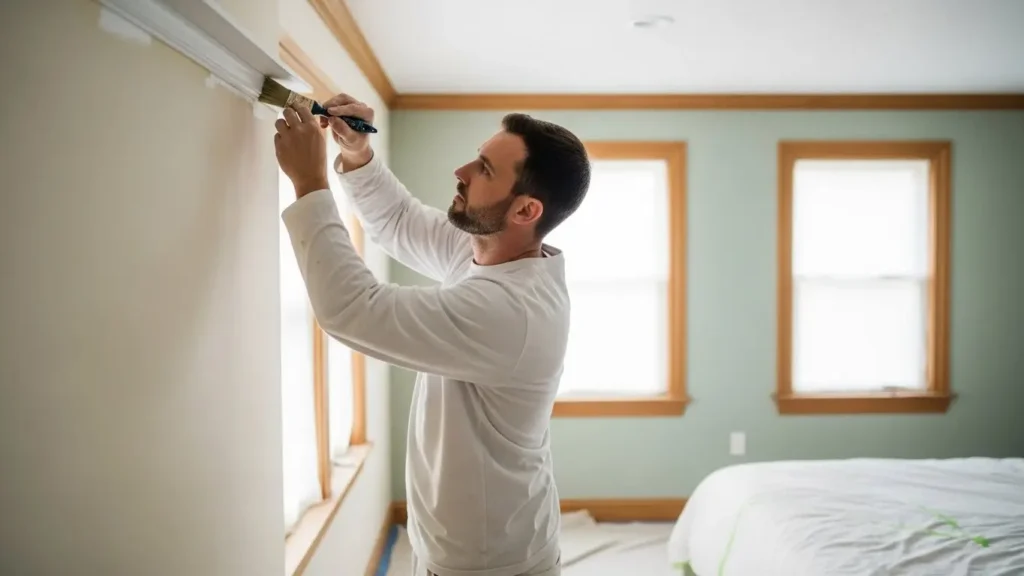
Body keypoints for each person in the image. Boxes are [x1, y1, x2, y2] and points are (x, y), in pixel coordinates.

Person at [273, 94, 590, 576]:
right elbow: (399, 222)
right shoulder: (487, 252)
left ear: (525, 211)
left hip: (490, 565)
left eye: (483, 169)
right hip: (464, 546)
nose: (461, 171)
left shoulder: (511, 313)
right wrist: (357, 153)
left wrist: (310, 182)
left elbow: (353, 309)